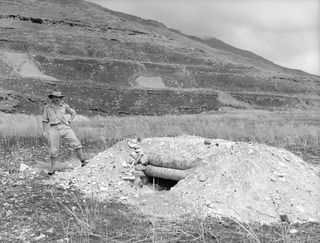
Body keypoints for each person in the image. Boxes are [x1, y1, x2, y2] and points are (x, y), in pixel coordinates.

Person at [42, 91, 88, 175]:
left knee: (75, 142)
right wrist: (45, 131)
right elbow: (45, 120)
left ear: (61, 98)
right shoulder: (47, 107)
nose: (57, 99)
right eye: (55, 97)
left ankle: (83, 161)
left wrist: (69, 120)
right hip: (53, 128)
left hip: (64, 127)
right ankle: (52, 169)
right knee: (53, 149)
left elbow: (73, 112)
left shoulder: (65, 106)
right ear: (52, 98)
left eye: (59, 97)